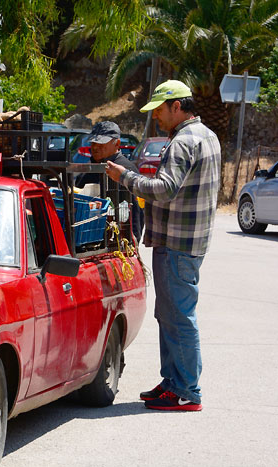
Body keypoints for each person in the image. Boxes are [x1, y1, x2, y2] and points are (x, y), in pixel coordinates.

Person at [105, 80, 221, 411]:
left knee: (178, 316)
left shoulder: (184, 141)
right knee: (169, 313)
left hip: (177, 243)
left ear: (176, 106)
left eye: (159, 110)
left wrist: (124, 177)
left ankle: (186, 390)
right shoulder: (207, 136)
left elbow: (165, 188)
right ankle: (173, 382)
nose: (156, 117)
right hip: (188, 241)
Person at [75, 121, 143, 242]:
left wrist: (132, 243)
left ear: (117, 144)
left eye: (101, 144)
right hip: (88, 239)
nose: (95, 147)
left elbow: (136, 215)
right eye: (93, 143)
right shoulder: (88, 170)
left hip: (117, 242)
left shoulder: (126, 170)